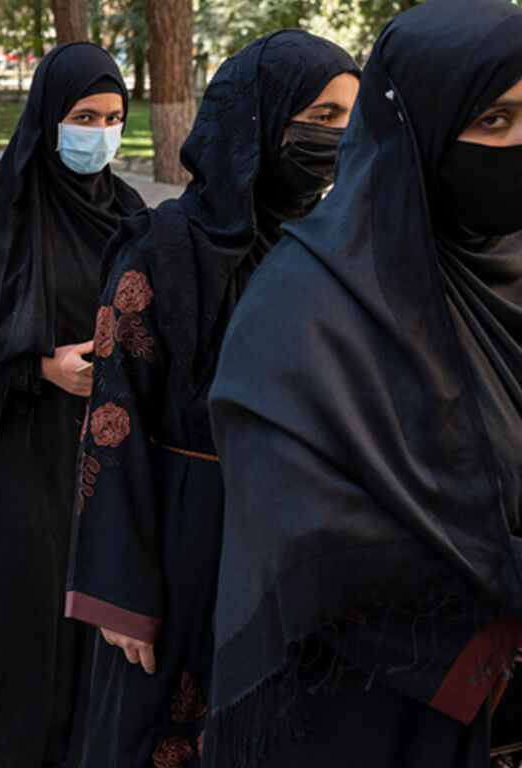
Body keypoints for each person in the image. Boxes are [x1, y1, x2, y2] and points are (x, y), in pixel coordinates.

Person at [205, 0, 522, 765]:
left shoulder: (508, 270)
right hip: (370, 705)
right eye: (496, 120)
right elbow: (303, 530)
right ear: (417, 130)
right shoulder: (302, 304)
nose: (520, 144)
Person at [62, 31, 359, 768]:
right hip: (189, 533)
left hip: (298, 540)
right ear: (260, 116)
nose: (339, 139)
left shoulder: (329, 245)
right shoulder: (161, 249)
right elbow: (113, 419)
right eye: (320, 117)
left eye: (351, 120)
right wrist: (121, 588)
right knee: (158, 730)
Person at [0, 43, 144, 768]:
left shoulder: (131, 213)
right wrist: (41, 365)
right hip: (18, 461)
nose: (98, 133)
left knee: (95, 628)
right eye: (83, 116)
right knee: (15, 633)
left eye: (112, 118)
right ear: (47, 118)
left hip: (106, 460)